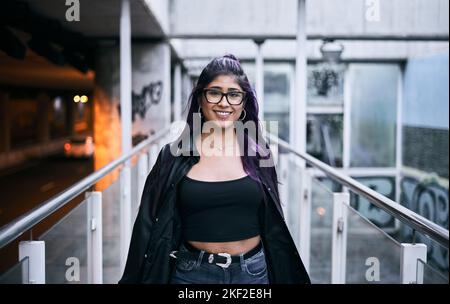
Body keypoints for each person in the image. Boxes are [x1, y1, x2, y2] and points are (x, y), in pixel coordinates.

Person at [119, 54, 310, 284]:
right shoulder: (173, 156)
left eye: (234, 95)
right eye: (214, 92)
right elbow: (146, 225)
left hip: (252, 274)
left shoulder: (259, 154)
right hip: (192, 275)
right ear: (200, 98)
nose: (224, 102)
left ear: (243, 104)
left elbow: (273, 222)